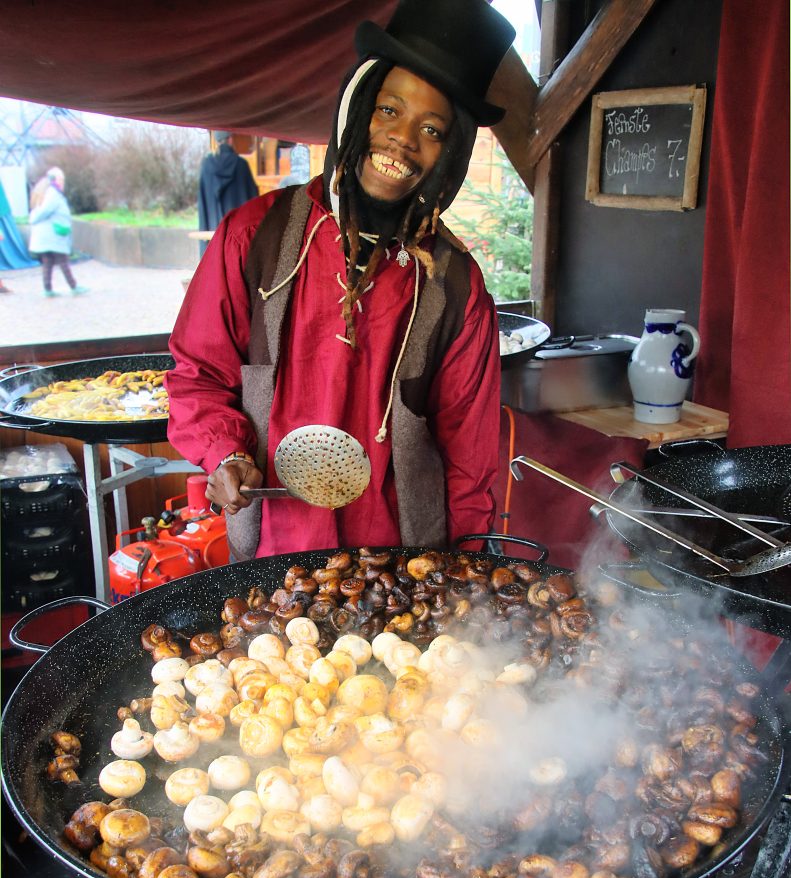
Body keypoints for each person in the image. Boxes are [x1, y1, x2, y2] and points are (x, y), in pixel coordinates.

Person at [166, 0, 515, 562]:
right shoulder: (252, 239)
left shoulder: (456, 288)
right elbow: (198, 376)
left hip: (406, 570)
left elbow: (470, 459)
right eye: (388, 110)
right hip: (270, 558)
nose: (403, 138)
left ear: (450, 153)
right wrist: (225, 453)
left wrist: (468, 568)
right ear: (355, 111)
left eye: (431, 128)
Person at [197, 131, 259, 255]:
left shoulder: (206, 166)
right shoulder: (241, 165)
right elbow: (254, 202)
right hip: (239, 238)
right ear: (230, 140)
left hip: (213, 235)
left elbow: (202, 202)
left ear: (217, 142)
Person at [28, 168, 87, 297]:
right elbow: (45, 210)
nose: (62, 182)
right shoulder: (52, 194)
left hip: (46, 236)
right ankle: (74, 286)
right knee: (63, 261)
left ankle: (48, 289)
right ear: (56, 180)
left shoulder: (44, 192)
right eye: (61, 179)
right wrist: (33, 218)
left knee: (48, 262)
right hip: (53, 235)